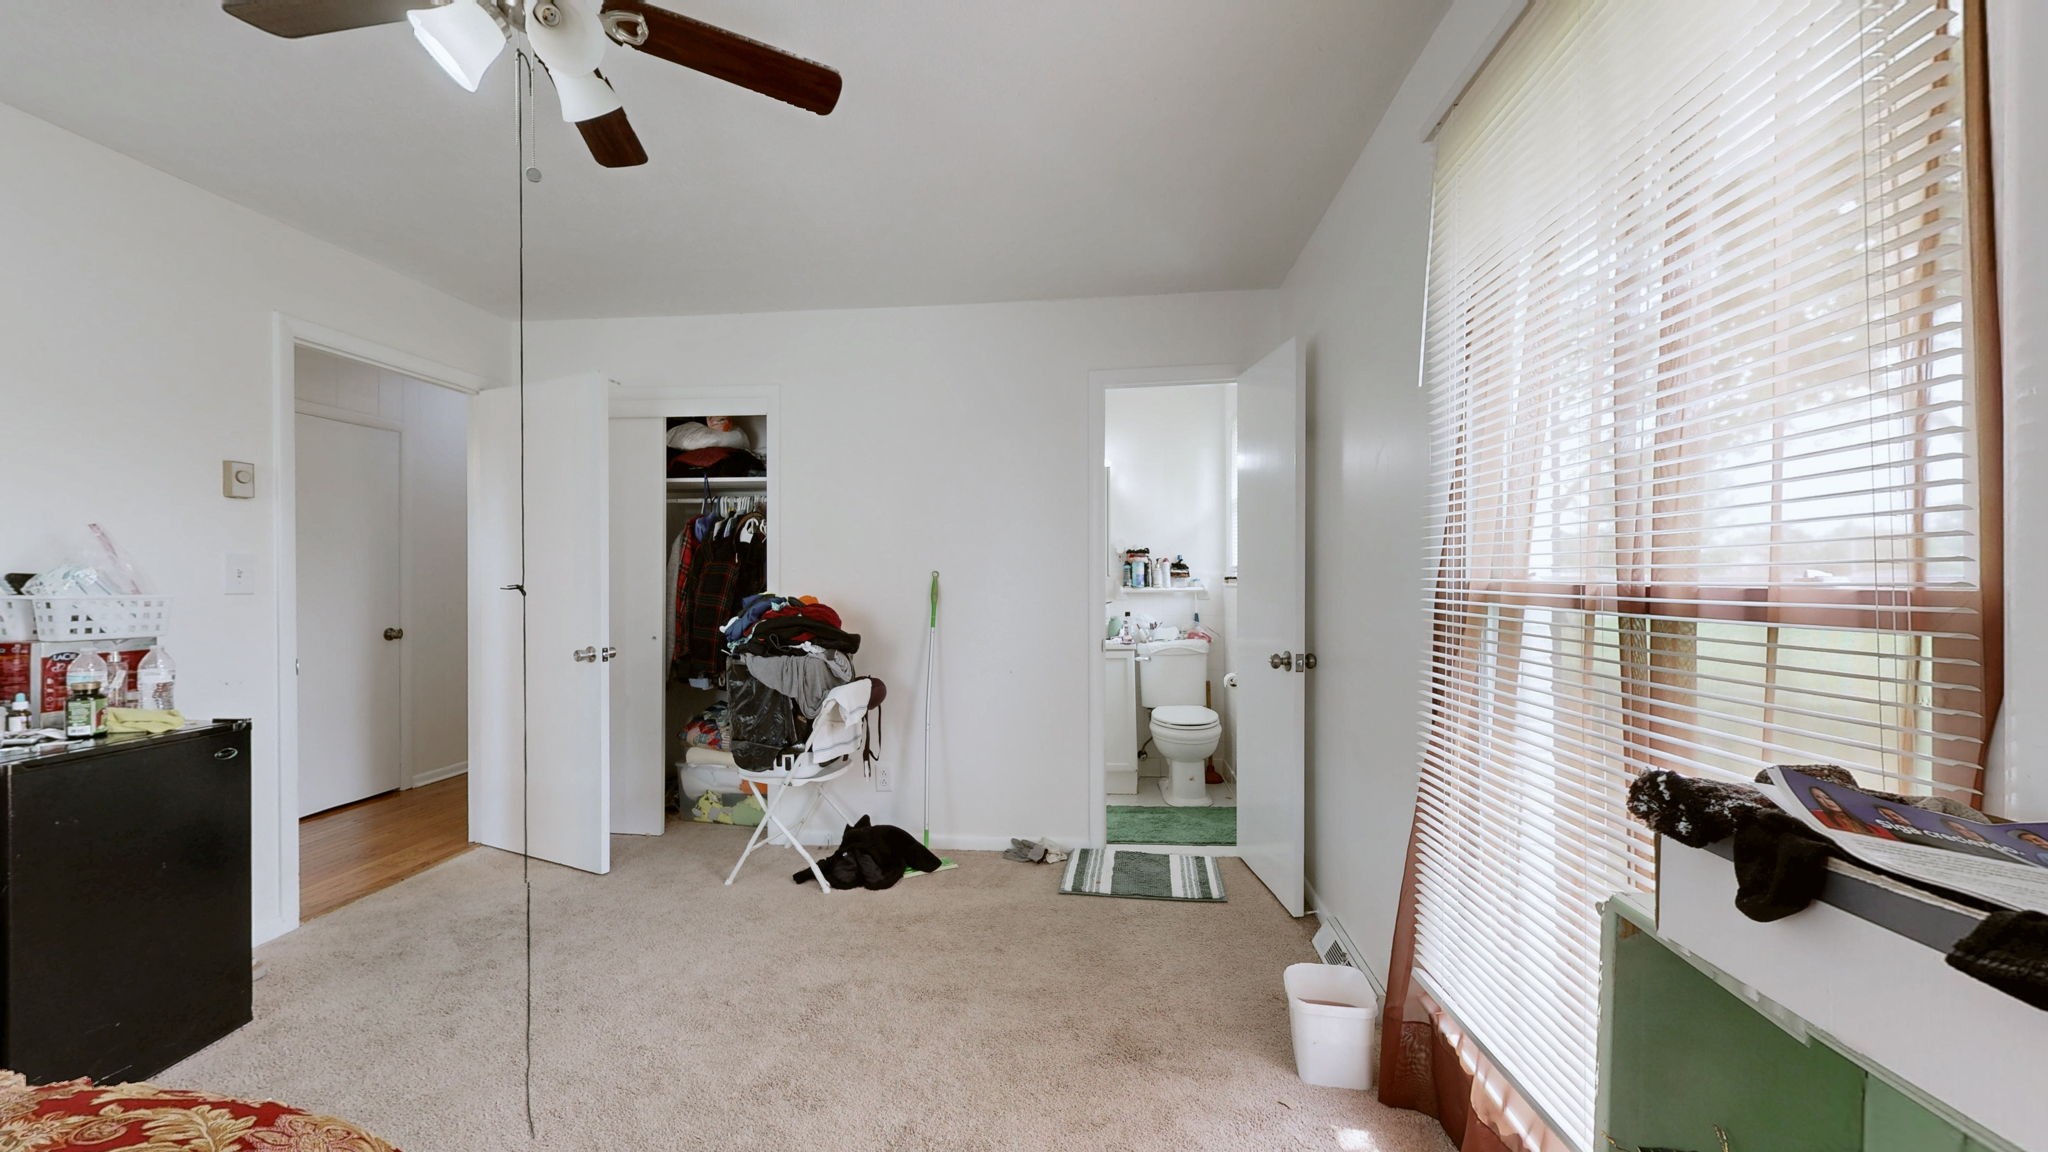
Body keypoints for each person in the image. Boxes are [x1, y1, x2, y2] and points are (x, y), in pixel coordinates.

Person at [1809, 787, 1884, 837]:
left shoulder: (1875, 827)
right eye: (1818, 798)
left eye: (1828, 797)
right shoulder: (1817, 815)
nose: (1825, 802)